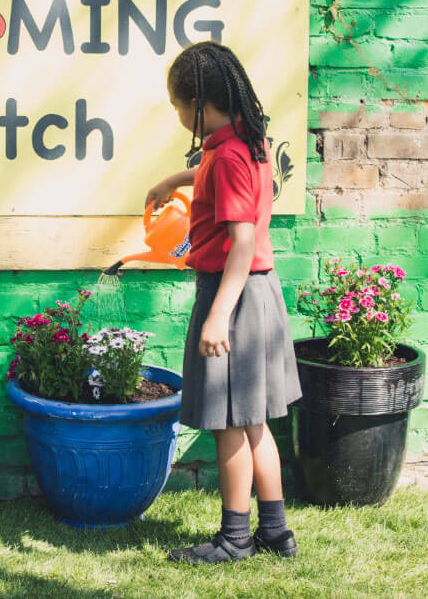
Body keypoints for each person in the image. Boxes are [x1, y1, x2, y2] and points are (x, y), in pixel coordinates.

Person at [145, 41, 303, 564]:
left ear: (196, 105)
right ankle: (275, 531)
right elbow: (219, 175)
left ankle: (235, 537)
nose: (177, 117)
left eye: (177, 108)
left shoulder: (229, 154)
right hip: (259, 293)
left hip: (232, 294)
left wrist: (217, 316)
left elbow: (241, 242)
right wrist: (175, 179)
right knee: (255, 422)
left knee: (229, 424)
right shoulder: (244, 141)